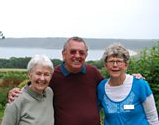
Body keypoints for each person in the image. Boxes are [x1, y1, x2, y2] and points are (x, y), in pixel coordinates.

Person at [8, 37, 144, 125]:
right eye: (73, 52)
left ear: (86, 54)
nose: (77, 56)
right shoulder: (53, 75)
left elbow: (113, 88)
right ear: (64, 54)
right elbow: (34, 87)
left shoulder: (93, 73)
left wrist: (132, 79)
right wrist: (15, 92)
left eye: (81, 53)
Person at [97, 43, 159, 125]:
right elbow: (93, 113)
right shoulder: (101, 87)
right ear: (105, 65)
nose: (115, 65)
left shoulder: (140, 85)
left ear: (126, 65)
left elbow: (153, 118)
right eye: (111, 61)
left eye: (119, 61)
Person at [1, 55, 55, 125]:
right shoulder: (16, 101)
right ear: (29, 74)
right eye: (38, 73)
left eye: (46, 74)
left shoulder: (49, 93)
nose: (42, 78)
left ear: (51, 76)